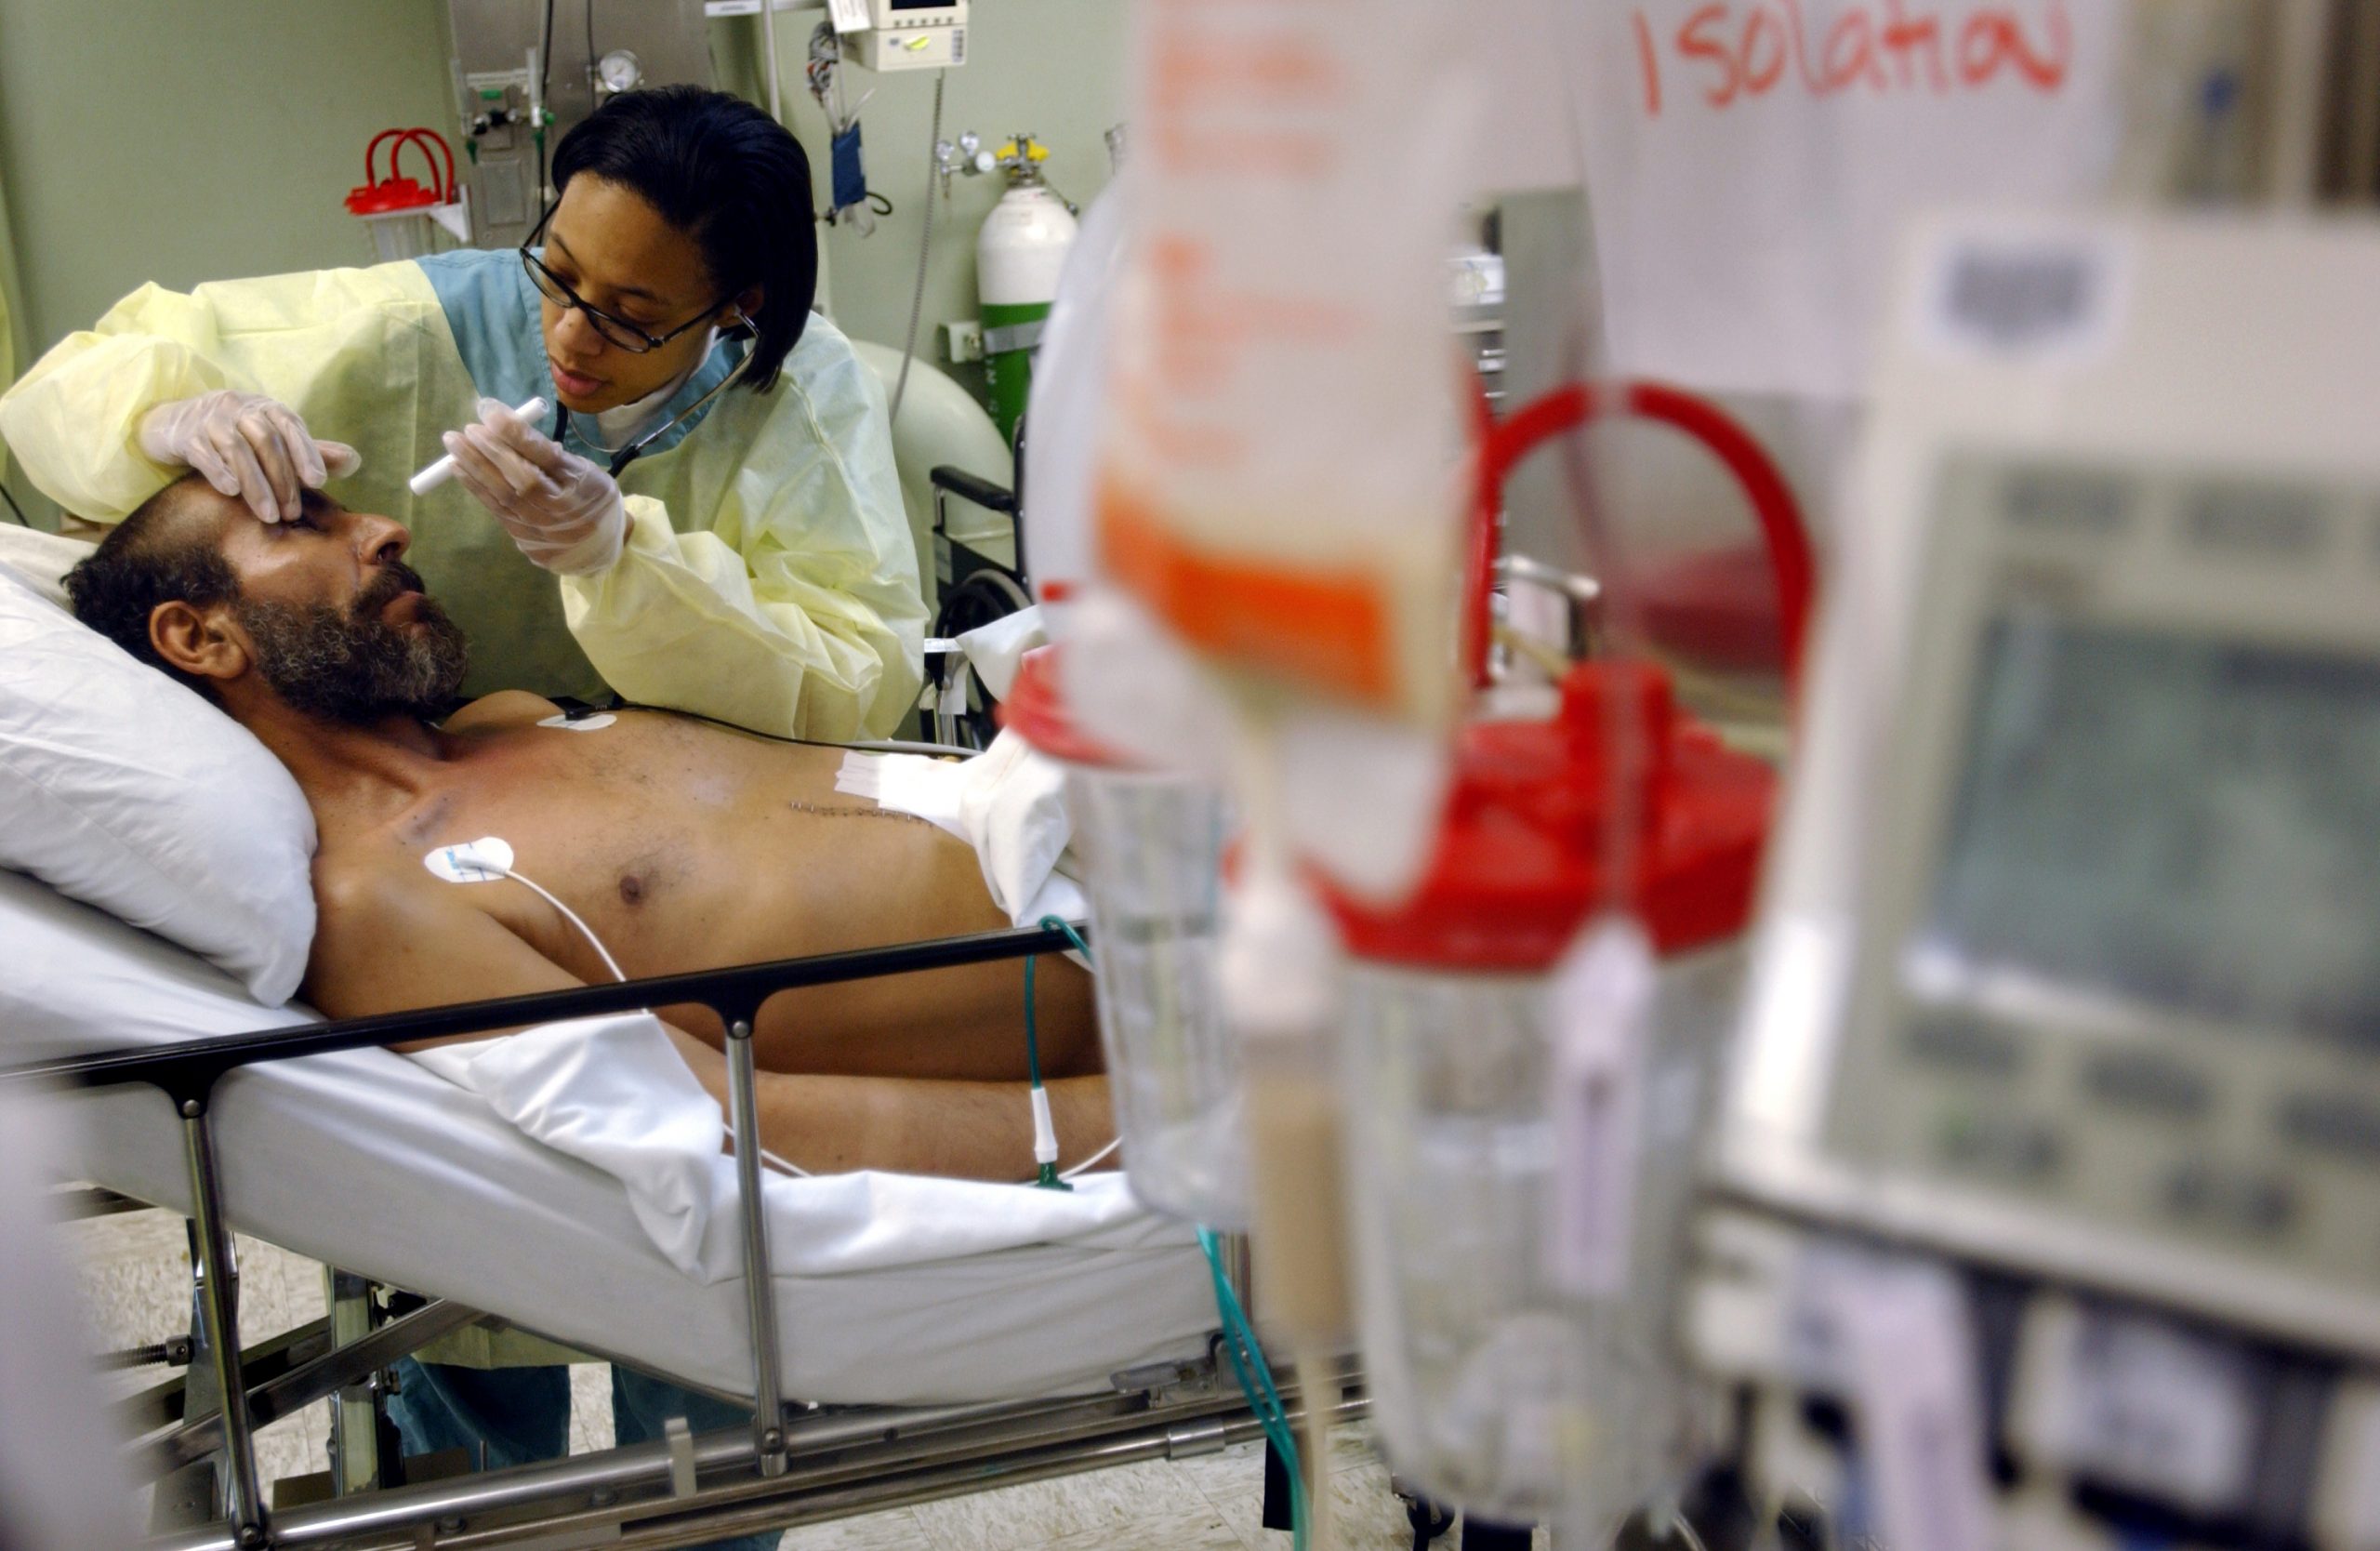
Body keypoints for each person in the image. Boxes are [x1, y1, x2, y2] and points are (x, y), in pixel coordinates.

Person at [63, 475, 1102, 1540]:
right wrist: (1138, 1125)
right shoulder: (376, 897)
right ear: (198, 636)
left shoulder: (508, 722)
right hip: (1155, 988)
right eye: (304, 527)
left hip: (1115, 823)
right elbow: (728, 1123)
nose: (385, 527)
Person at [3, 86, 925, 742]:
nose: (567, 335)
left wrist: (628, 564)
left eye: (627, 318)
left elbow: (857, 681)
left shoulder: (797, 391)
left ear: (736, 306)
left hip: (664, 767)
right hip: (456, 764)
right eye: (556, 272)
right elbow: (62, 393)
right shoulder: (409, 326)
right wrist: (163, 416)